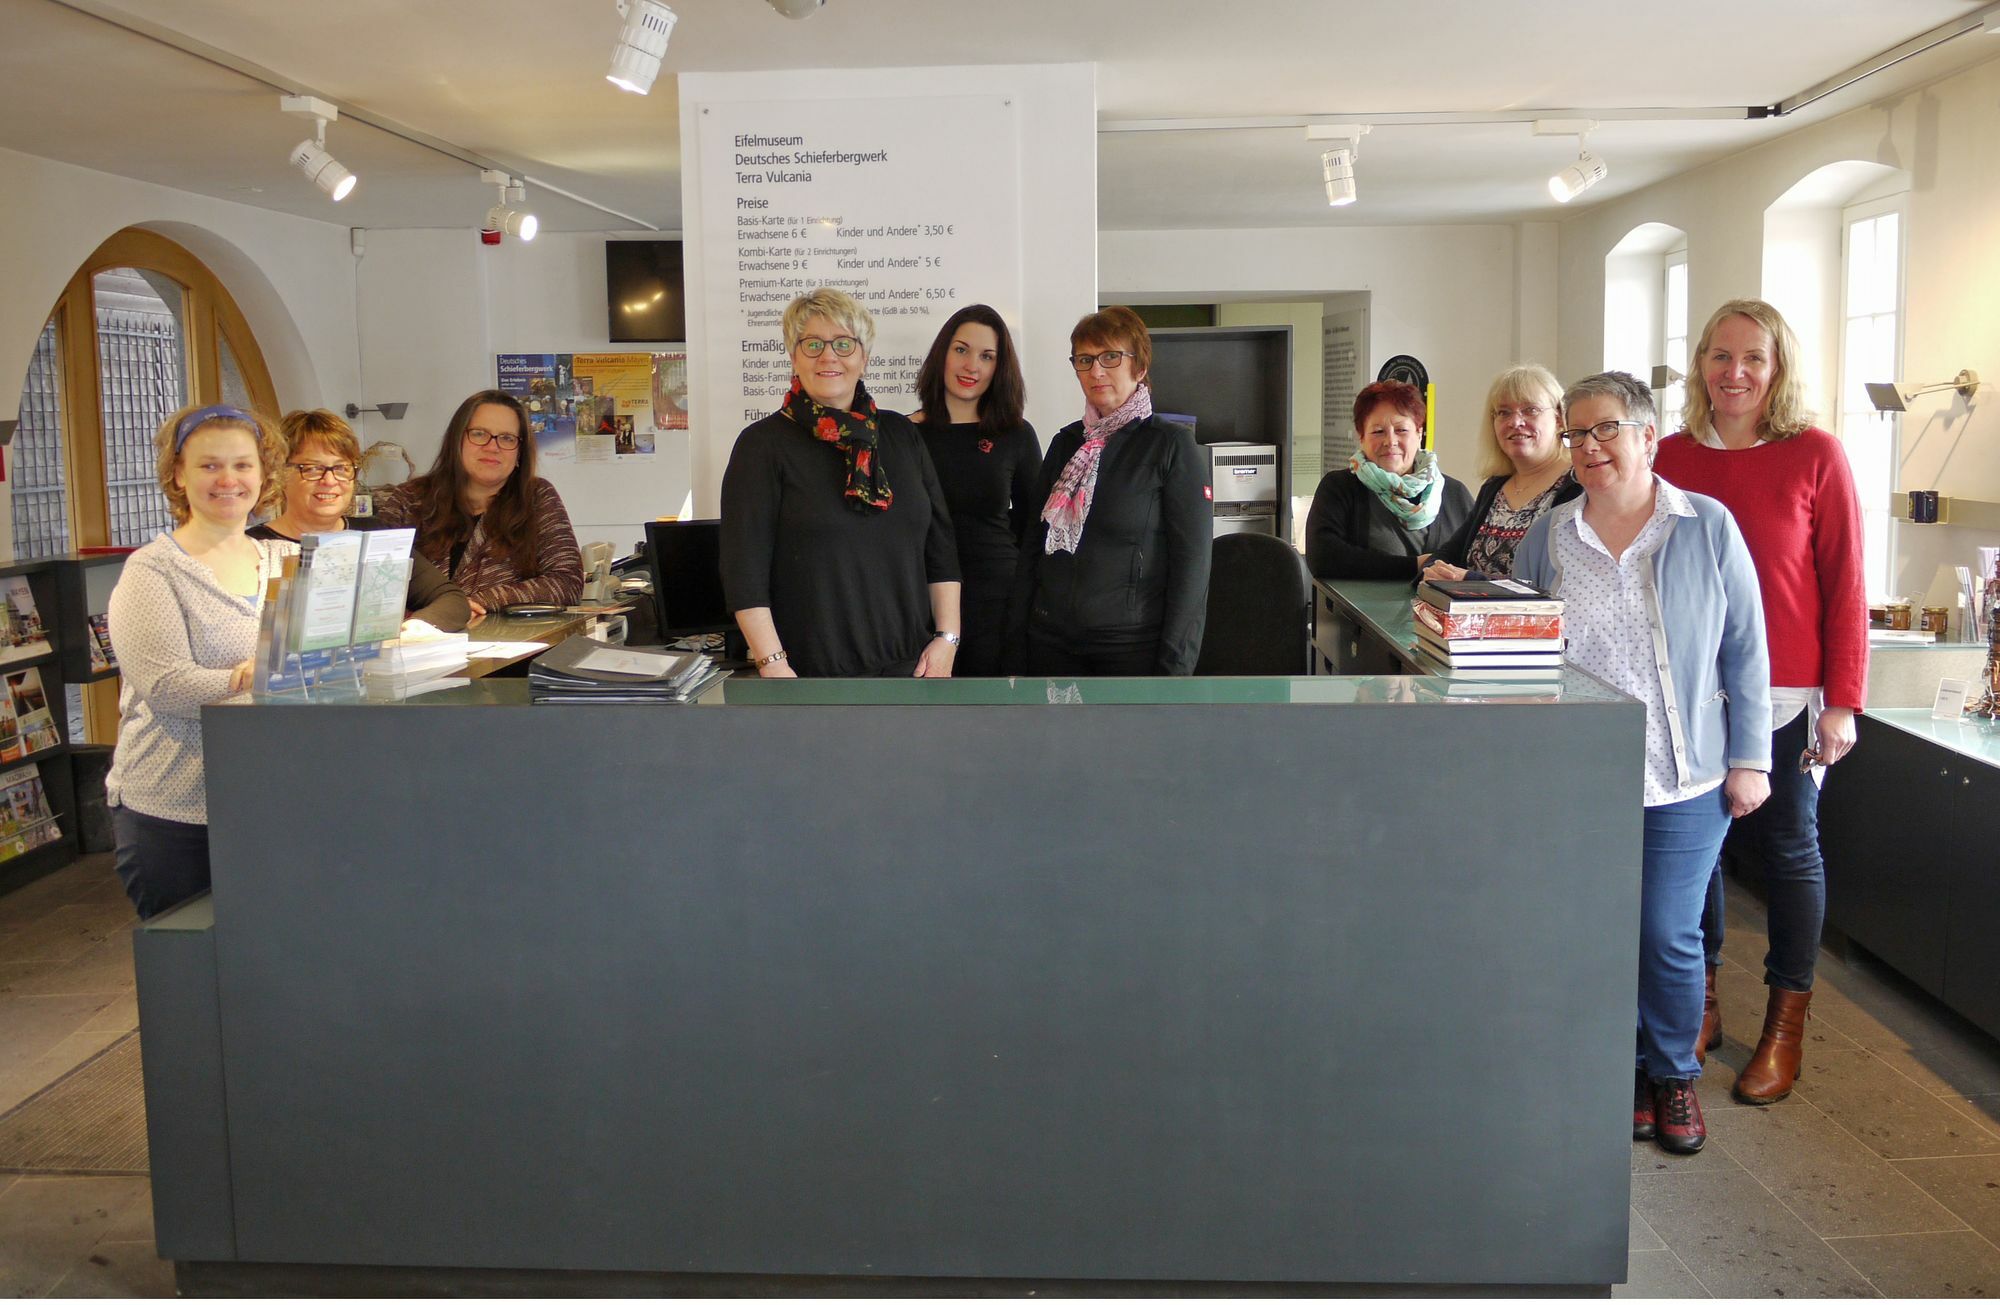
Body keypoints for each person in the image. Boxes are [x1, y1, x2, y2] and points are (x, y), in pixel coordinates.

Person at [1514, 371, 1772, 1155]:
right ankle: (1624, 1068)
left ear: (1648, 436)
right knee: (1598, 927)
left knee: (1665, 931)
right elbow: (1518, 652)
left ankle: (1673, 1073)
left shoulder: (1706, 526)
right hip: (1582, 779)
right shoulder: (1549, 536)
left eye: (1606, 429)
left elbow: (1746, 649)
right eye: (1577, 434)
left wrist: (1752, 758)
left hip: (1683, 776)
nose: (1589, 446)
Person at [1654, 298, 1868, 1103]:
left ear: (1778, 368)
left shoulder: (1816, 454)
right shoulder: (1670, 456)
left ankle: (1785, 1027)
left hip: (1787, 694)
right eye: (1720, 355)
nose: (1735, 372)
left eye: (1753, 357)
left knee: (1787, 847)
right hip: (1691, 692)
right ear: (1700, 365)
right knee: (1698, 852)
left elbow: (1846, 581)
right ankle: (1700, 999)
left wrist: (1844, 700)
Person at [106, 404, 298, 919]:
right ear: (178, 474)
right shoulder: (153, 571)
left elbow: (305, 666)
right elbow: (166, 686)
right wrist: (248, 677)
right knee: (187, 958)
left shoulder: (284, 562)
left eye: (242, 465)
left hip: (268, 800)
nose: (228, 480)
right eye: (209, 465)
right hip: (173, 810)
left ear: (264, 473)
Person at [720, 288, 962, 678]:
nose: (828, 356)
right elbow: (743, 571)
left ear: (864, 358)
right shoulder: (762, 445)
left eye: (844, 344)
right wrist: (772, 664)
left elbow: (941, 547)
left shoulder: (902, 434)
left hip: (914, 668)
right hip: (811, 675)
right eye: (813, 344)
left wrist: (947, 638)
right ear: (794, 356)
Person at [1013, 306, 1211, 676]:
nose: (1096, 371)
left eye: (1110, 357)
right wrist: (1016, 647)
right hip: (1049, 644)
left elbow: (1193, 565)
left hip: (1129, 649)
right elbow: (1032, 548)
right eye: (1084, 360)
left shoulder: (1170, 445)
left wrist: (1175, 669)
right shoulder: (1065, 443)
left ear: (1140, 367)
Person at [248, 409, 471, 632]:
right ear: (279, 473)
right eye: (313, 469)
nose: (330, 480)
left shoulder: (374, 534)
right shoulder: (253, 546)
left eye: (341, 468)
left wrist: (414, 628)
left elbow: (451, 599)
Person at [369, 390, 583, 617]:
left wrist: (480, 601)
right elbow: (373, 582)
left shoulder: (537, 497)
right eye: (479, 434)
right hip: (419, 634)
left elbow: (567, 582)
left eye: (507, 438)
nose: (493, 447)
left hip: (507, 638)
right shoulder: (409, 499)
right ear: (457, 440)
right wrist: (437, 614)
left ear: (519, 453)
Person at [912, 305, 1041, 676]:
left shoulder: (1016, 434)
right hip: (921, 603)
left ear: (1000, 368)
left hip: (998, 604)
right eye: (961, 350)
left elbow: (1035, 529)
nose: (972, 366)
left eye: (987, 356)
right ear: (942, 354)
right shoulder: (905, 434)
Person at [1421, 364, 1580, 582]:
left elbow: (1558, 583)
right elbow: (1448, 554)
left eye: (1530, 410)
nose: (1515, 422)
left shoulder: (1577, 486)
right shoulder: (1494, 487)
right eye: (1504, 412)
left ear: (1559, 418)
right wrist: (1433, 571)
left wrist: (1470, 582)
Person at [1305, 380, 1472, 580]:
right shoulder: (1339, 487)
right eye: (1378, 431)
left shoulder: (1455, 494)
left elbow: (1477, 560)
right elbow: (1323, 558)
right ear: (1361, 437)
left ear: (1419, 433)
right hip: (1361, 602)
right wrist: (1415, 566)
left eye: (1401, 430)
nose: (1390, 441)